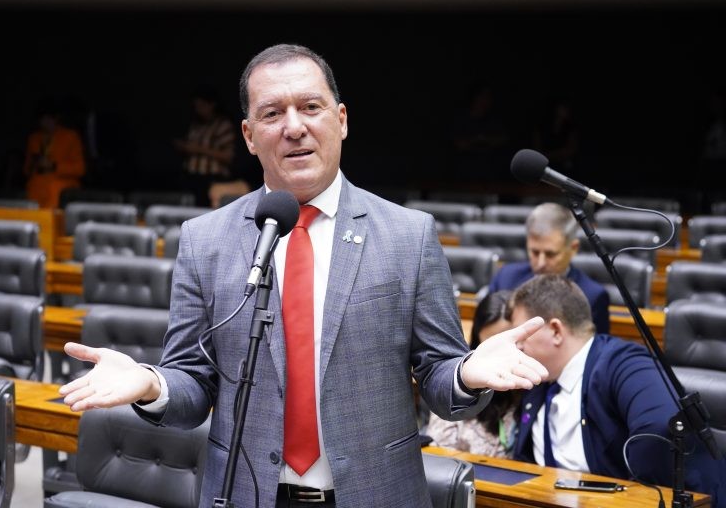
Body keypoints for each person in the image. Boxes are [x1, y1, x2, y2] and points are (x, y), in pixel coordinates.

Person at [59, 44, 548, 508]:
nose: (294, 127)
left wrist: (464, 372)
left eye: (310, 107)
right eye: (272, 114)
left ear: (341, 120)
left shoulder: (407, 235)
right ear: (249, 135)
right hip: (247, 494)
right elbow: (192, 385)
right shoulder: (205, 239)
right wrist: (149, 383)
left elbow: (440, 380)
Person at [510, 274, 726, 506]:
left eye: (523, 336)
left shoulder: (624, 364)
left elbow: (659, 429)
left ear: (555, 331)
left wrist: (625, 495)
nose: (518, 346)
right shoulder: (540, 378)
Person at [486, 202, 610, 334]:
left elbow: (594, 351)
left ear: (573, 248)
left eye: (550, 254)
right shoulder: (506, 278)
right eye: (534, 252)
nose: (541, 263)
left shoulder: (593, 296)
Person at [426, 290, 521, 458]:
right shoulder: (462, 380)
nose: (501, 357)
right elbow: (437, 450)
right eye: (491, 345)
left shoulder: (538, 390)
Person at [174, 85, 249, 207]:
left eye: (202, 106)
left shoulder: (222, 125)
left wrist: (198, 149)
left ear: (212, 105)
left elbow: (228, 156)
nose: (198, 109)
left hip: (213, 178)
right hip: (191, 177)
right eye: (196, 106)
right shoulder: (196, 125)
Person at [23, 99, 86, 208]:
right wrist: (34, 164)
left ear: (56, 118)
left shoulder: (70, 137)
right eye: (42, 119)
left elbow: (80, 169)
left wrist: (53, 166)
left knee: (54, 193)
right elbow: (26, 170)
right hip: (36, 186)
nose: (45, 123)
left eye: (49, 119)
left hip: (61, 185)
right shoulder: (34, 138)